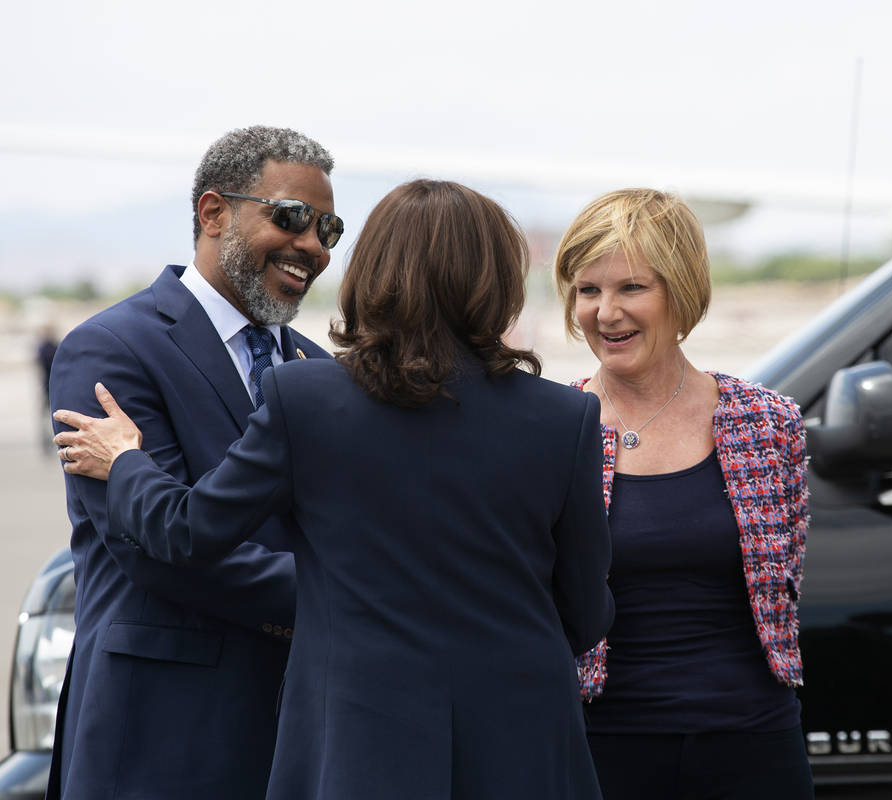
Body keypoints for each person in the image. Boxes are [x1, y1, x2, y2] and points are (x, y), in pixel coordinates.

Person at [54, 179, 615, 800]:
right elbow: (586, 611)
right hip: (524, 735)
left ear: (373, 272)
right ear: (498, 280)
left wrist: (127, 462)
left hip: (362, 738)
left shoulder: (307, 398)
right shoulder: (568, 418)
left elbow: (187, 531)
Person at [46, 125, 338, 800]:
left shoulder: (319, 372)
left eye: (329, 228)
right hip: (159, 734)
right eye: (292, 218)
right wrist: (338, 597)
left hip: (300, 740)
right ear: (213, 213)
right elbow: (152, 547)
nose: (313, 248)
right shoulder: (111, 350)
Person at [552, 188, 813, 799]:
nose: (606, 312)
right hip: (599, 747)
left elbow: (785, 583)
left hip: (754, 746)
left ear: (682, 289)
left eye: (632, 288)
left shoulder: (768, 422)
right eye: (588, 291)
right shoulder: (550, 426)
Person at [35, 323, 58, 453]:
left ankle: (47, 442)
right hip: (51, 387)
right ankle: (49, 441)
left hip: (46, 387)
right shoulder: (55, 346)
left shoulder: (43, 348)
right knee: (51, 417)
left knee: (45, 417)